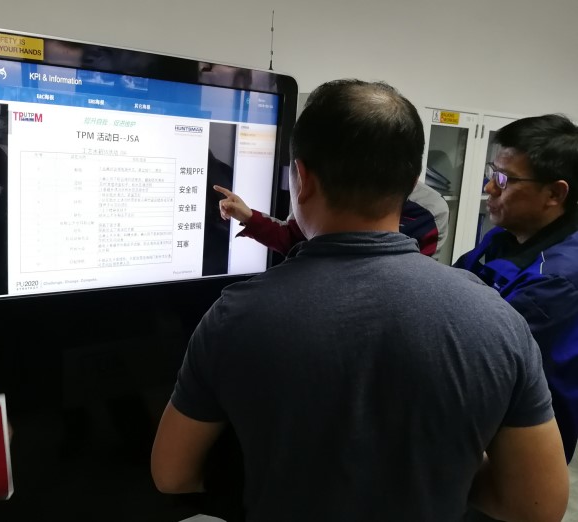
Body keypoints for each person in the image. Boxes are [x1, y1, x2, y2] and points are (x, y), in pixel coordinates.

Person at [151, 79, 568, 521]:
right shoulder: (497, 320)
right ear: (411, 180)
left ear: (302, 178)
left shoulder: (235, 316)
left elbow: (172, 474)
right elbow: (536, 505)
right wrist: (440, 470)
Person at [454, 114, 578, 463]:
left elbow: (475, 353)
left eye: (504, 179)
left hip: (516, 447)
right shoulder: (503, 237)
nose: (490, 187)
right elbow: (453, 286)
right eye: (493, 173)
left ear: (554, 193)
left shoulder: (557, 279)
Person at [214, 171, 448, 260]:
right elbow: (293, 237)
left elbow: (421, 274)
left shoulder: (429, 210)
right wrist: (249, 217)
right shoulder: (327, 185)